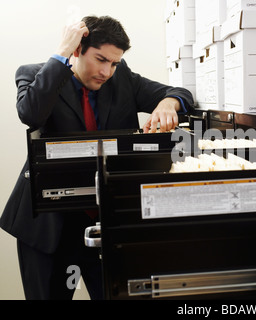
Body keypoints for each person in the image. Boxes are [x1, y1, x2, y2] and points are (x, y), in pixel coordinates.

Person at [0, 15, 194, 300]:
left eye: (114, 63)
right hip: (49, 225)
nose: (107, 71)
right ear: (78, 50)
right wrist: (61, 53)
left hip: (106, 222)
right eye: (101, 59)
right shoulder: (35, 74)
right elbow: (30, 114)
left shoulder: (122, 78)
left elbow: (180, 93)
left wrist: (169, 101)